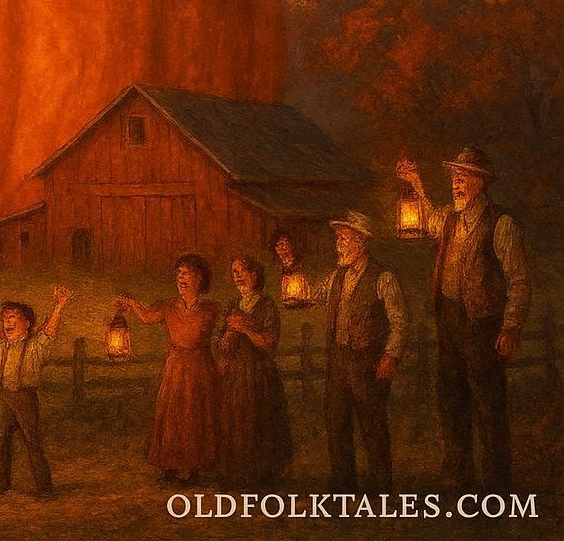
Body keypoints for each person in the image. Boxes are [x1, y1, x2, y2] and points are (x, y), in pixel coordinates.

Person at [398, 148, 530, 493]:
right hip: (450, 320)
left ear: (481, 182)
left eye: (463, 177)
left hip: (483, 325)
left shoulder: (501, 224)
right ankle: (459, 475)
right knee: (451, 398)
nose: (455, 184)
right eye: (454, 178)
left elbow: (518, 280)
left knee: (488, 403)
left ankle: (496, 483)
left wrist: (511, 326)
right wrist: (416, 183)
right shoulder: (449, 219)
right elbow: (428, 219)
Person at [309, 210, 407, 494]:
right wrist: (293, 276)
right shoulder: (335, 277)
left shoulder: (383, 278)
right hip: (338, 360)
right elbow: (311, 296)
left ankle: (380, 485)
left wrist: (390, 356)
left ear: (361, 243)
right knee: (337, 422)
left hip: (368, 362)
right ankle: (344, 483)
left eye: (343, 239)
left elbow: (400, 322)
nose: (338, 245)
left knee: (372, 424)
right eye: (337, 239)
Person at [0, 284, 73, 498]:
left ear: (27, 324)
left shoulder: (35, 346)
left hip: (26, 398)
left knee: (32, 443)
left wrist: (59, 306)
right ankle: (2, 484)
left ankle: (44, 487)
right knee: (0, 441)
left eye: (12, 317)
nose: (7, 322)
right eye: (4, 319)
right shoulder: (1, 347)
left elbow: (49, 332)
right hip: (5, 398)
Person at [116, 254, 220, 486]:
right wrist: (130, 304)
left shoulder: (211, 308)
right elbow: (146, 317)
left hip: (200, 367)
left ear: (199, 278)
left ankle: (194, 467)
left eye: (186, 273)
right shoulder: (169, 307)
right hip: (176, 367)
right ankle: (170, 465)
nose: (181, 278)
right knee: (173, 415)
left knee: (195, 415)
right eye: (178, 274)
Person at [214, 255, 292, 487]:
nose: (238, 276)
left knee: (259, 422)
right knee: (236, 422)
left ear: (255, 276)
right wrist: (229, 333)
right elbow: (221, 344)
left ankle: (261, 475)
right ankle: (235, 474)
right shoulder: (232, 305)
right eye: (234, 272)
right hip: (236, 375)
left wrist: (246, 328)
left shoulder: (267, 305)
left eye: (242, 271)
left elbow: (269, 343)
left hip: (260, 375)